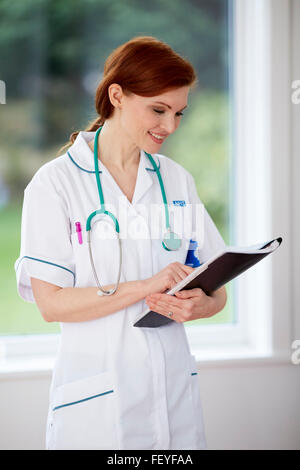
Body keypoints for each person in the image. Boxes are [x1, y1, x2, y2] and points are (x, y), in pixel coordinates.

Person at [14, 36, 227, 450]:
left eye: (179, 112)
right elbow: (51, 304)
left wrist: (203, 305)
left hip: (173, 399)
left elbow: (216, 287)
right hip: (97, 406)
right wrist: (146, 286)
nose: (170, 126)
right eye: (158, 110)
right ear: (117, 95)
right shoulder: (56, 184)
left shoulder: (176, 179)